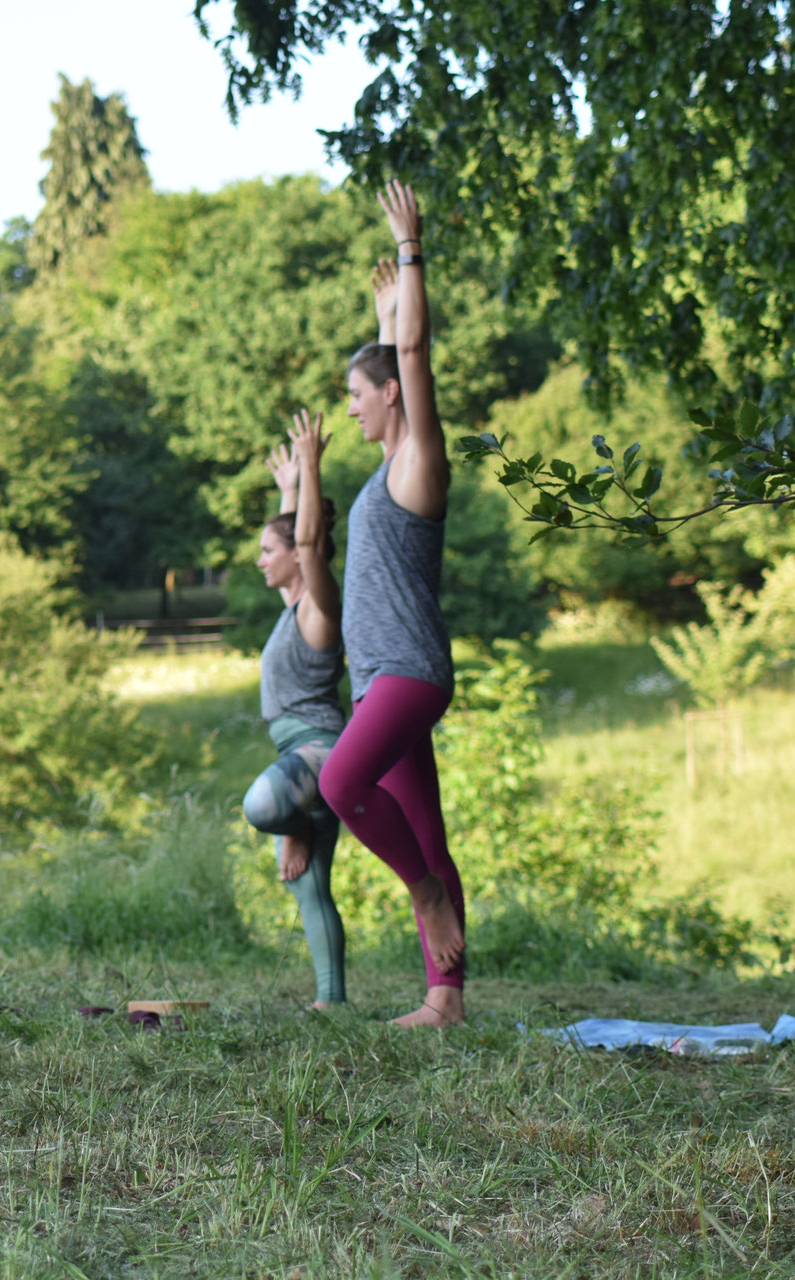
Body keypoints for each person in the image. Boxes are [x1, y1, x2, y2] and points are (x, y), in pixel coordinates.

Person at [316, 180, 467, 1028]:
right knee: (425, 827)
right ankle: (443, 1000)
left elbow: (409, 366)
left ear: (389, 403)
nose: (348, 405)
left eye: (355, 395)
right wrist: (382, 317)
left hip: (409, 673)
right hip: (382, 678)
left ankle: (425, 894)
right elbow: (389, 366)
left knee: (344, 782)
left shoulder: (419, 464)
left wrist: (412, 254)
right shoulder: (385, 471)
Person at [243, 411, 348, 1008]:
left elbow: (305, 544)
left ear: (296, 559)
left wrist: (312, 464)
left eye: (266, 551)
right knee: (308, 886)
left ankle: (298, 822)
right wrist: (290, 487)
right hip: (300, 754)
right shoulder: (292, 605)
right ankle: (331, 1002)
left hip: (319, 748)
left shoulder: (319, 606)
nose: (260, 560)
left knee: (261, 805)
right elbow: (293, 535)